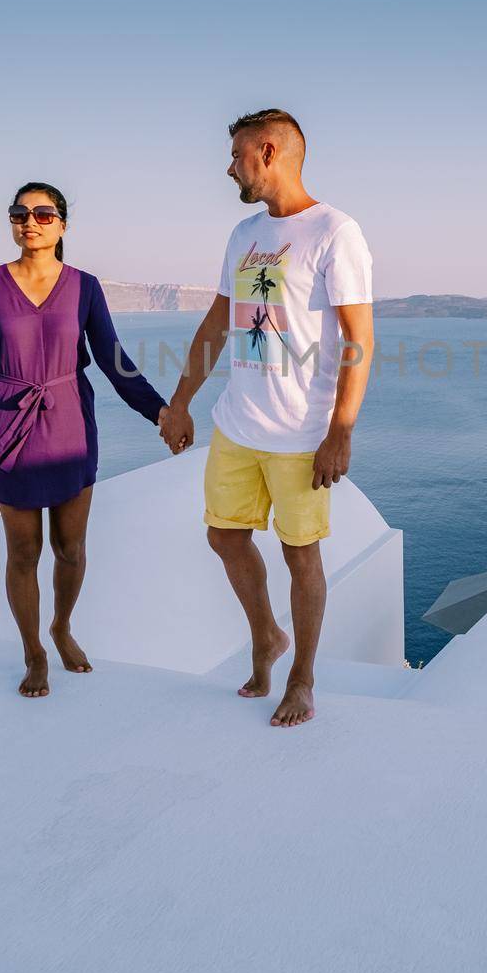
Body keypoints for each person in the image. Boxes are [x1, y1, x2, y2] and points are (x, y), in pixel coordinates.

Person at [160, 110, 374, 727]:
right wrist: (181, 402)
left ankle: (302, 679)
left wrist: (340, 431)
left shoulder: (337, 233)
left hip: (302, 435)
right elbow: (216, 325)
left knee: (300, 555)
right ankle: (266, 638)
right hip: (238, 424)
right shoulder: (242, 234)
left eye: (236, 155)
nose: (229, 167)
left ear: (269, 150)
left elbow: (359, 341)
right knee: (224, 536)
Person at [0, 183, 168, 698]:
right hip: (9, 426)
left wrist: (159, 411)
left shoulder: (85, 286)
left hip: (70, 422)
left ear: (62, 225)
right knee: (23, 552)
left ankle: (62, 627)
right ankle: (33, 653)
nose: (31, 221)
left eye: (43, 214)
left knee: (70, 548)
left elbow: (113, 359)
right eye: (20, 213)